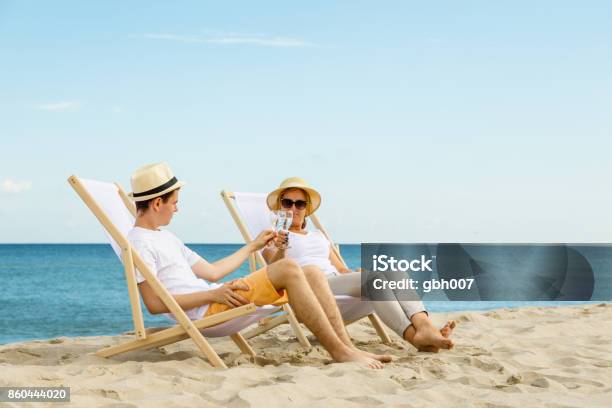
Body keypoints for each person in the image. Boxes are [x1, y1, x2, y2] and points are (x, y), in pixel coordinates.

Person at [126, 163, 390, 368]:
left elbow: (212, 272)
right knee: (289, 269)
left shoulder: (166, 237)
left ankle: (346, 346)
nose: (176, 210)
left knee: (309, 271)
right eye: (174, 203)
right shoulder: (139, 243)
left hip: (218, 297)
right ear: (157, 202)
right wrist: (212, 294)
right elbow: (155, 305)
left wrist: (253, 246)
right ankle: (340, 351)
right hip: (205, 312)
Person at [263, 177, 456, 352]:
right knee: (374, 281)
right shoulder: (272, 237)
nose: (293, 209)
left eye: (300, 204)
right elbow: (273, 272)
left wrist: (357, 273)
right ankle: (417, 337)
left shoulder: (318, 236)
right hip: (310, 288)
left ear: (307, 209)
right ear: (279, 206)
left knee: (395, 273)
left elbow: (341, 270)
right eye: (288, 202)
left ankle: (424, 327)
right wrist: (281, 247)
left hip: (336, 284)